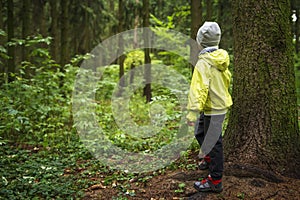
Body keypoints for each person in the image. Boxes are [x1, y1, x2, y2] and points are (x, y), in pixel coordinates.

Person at [186, 21, 232, 193]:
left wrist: (191, 114)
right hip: (214, 107)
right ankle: (209, 158)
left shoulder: (204, 63)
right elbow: (227, 79)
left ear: (200, 42)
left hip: (214, 108)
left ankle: (215, 180)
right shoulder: (221, 59)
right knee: (201, 133)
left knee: (214, 143)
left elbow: (198, 90)